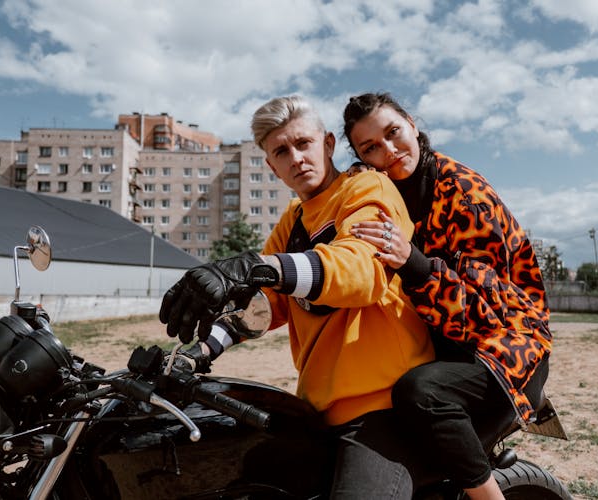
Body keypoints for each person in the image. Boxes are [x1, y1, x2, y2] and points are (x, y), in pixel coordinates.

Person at [159, 95, 435, 499]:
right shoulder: (292, 220)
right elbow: (268, 305)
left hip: (383, 408)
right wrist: (198, 351)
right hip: (316, 409)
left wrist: (254, 266)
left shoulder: (366, 187)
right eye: (282, 151)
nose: (296, 158)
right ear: (271, 167)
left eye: (303, 144)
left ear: (326, 144)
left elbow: (362, 270)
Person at [343, 92, 552, 500]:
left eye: (393, 133)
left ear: (412, 125)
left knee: (420, 392)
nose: (388, 150)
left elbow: (488, 315)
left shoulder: (464, 195)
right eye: (370, 147)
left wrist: (415, 264)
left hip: (508, 348)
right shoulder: (387, 190)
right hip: (446, 350)